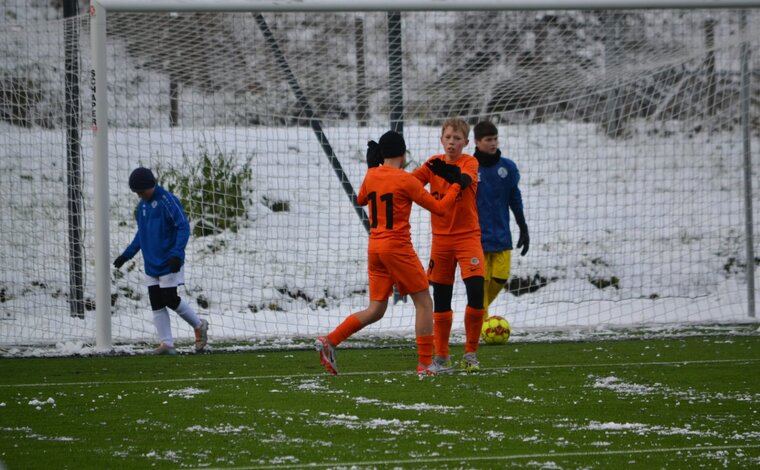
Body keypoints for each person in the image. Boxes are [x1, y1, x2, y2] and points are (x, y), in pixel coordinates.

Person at [316, 131, 462, 376]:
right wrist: (457, 184)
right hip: (397, 247)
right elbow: (440, 209)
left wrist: (373, 167)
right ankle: (426, 364)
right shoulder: (406, 180)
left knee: (376, 309)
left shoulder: (372, 175)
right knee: (424, 302)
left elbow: (361, 198)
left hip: (375, 248)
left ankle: (329, 341)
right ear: (403, 155)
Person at [412, 118, 486, 372]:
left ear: (465, 142)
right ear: (441, 139)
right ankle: (442, 357)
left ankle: (470, 353)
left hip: (468, 238)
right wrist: (385, 172)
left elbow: (464, 181)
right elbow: (409, 184)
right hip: (441, 242)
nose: (452, 142)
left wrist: (451, 175)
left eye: (457, 138)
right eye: (448, 137)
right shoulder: (433, 164)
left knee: (476, 292)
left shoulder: (470, 162)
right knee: (441, 299)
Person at [113, 167, 208, 355]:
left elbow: (183, 227)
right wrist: (127, 254)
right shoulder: (142, 207)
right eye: (137, 193)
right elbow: (143, 233)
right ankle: (167, 344)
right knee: (156, 302)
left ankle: (199, 325)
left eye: (141, 191)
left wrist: (176, 254)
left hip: (168, 260)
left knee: (170, 299)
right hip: (151, 264)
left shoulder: (168, 201)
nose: (140, 195)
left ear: (151, 185)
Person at [473, 121, 529, 318]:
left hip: (502, 237)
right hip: (476, 238)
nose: (493, 143)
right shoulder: (469, 168)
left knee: (500, 278)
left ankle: (476, 313)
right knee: (481, 282)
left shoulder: (508, 168)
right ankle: (482, 323)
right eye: (488, 140)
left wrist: (523, 226)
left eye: (495, 139)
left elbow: (515, 198)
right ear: (477, 142)